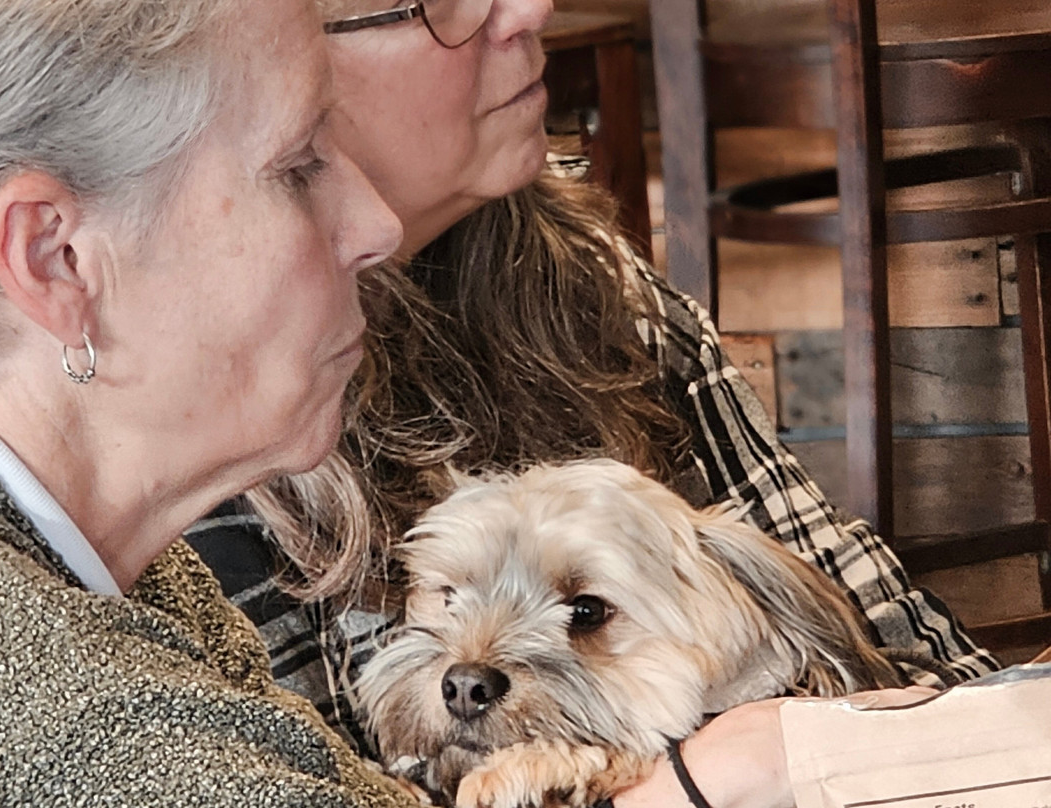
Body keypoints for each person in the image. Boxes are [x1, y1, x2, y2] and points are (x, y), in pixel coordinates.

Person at [185, 0, 999, 799]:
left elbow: (918, 682)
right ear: (276, 52)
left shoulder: (604, 299)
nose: (532, 11)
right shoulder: (185, 434)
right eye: (437, 4)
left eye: (583, 613)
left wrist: (701, 767)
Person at [0, 0, 423, 804]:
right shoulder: (77, 731)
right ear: (56, 258)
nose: (377, 224)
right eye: (298, 165)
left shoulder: (95, 550)